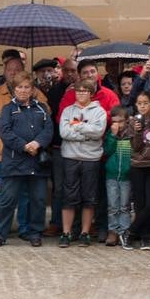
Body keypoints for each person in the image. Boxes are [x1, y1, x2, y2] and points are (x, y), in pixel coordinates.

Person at [0, 71, 51, 247]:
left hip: (37, 163)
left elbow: (48, 130)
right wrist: (25, 146)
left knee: (38, 200)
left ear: (33, 89)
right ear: (14, 89)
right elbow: (5, 133)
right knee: (7, 199)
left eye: (27, 87)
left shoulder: (42, 108)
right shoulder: (8, 110)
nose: (23, 90)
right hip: (14, 162)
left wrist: (37, 143)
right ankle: (0, 233)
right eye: (20, 87)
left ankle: (35, 232)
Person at [58, 81, 107, 247]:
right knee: (69, 196)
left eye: (85, 91)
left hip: (91, 159)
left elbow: (98, 132)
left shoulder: (99, 111)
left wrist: (77, 126)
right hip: (70, 157)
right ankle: (66, 232)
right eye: (78, 91)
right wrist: (86, 133)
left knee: (89, 197)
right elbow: (64, 133)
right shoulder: (67, 111)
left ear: (91, 93)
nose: (81, 94)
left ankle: (85, 232)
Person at [127, 91, 150, 250]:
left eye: (145, 103)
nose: (142, 106)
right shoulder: (133, 122)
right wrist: (137, 131)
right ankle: (144, 237)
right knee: (140, 204)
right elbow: (136, 146)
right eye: (139, 103)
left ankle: (130, 232)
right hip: (138, 165)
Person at [103, 106, 134, 249]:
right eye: (114, 122)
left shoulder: (132, 135)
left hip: (127, 176)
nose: (117, 125)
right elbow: (107, 151)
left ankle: (124, 230)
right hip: (112, 175)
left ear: (127, 121)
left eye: (120, 122)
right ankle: (113, 230)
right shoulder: (110, 134)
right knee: (113, 205)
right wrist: (113, 136)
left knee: (125, 205)